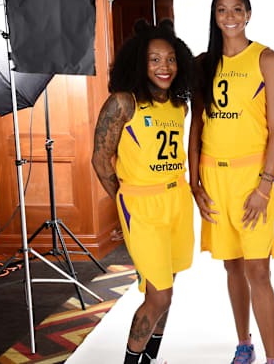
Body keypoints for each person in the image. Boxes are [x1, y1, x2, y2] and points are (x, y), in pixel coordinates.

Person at [188, 0, 274, 364]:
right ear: (214, 17)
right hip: (215, 177)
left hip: (252, 177)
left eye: (236, 10)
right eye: (222, 10)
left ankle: (273, 357)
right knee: (232, 265)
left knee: (258, 269)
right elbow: (197, 125)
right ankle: (243, 343)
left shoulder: (267, 60)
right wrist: (194, 182)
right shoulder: (203, 63)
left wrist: (266, 185)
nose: (229, 17)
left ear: (248, 14)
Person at [92, 19, 194, 364]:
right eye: (154, 59)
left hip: (177, 199)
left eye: (170, 59)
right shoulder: (123, 103)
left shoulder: (179, 105)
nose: (164, 67)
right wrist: (123, 203)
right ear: (139, 62)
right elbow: (100, 158)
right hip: (142, 203)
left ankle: (151, 357)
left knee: (165, 289)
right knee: (159, 294)